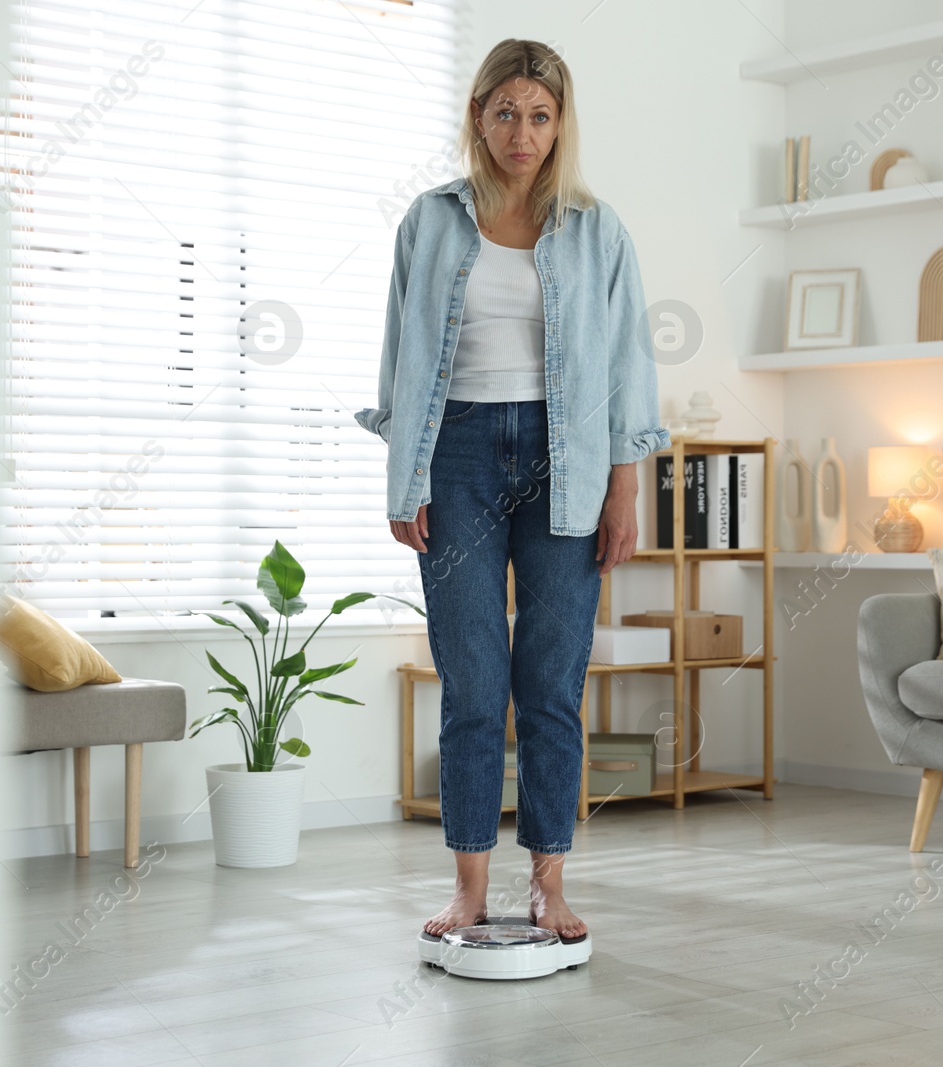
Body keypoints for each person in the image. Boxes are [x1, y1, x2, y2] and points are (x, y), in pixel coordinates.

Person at [354, 39, 669, 940]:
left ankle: (549, 882)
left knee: (551, 679)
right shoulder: (431, 220)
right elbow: (401, 359)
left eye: (539, 115)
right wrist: (402, 475)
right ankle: (467, 888)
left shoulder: (599, 230)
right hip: (453, 453)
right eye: (505, 113)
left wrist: (624, 487)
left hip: (566, 457)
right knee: (472, 680)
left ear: (559, 122)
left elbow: (627, 367)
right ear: (478, 116)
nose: (521, 133)